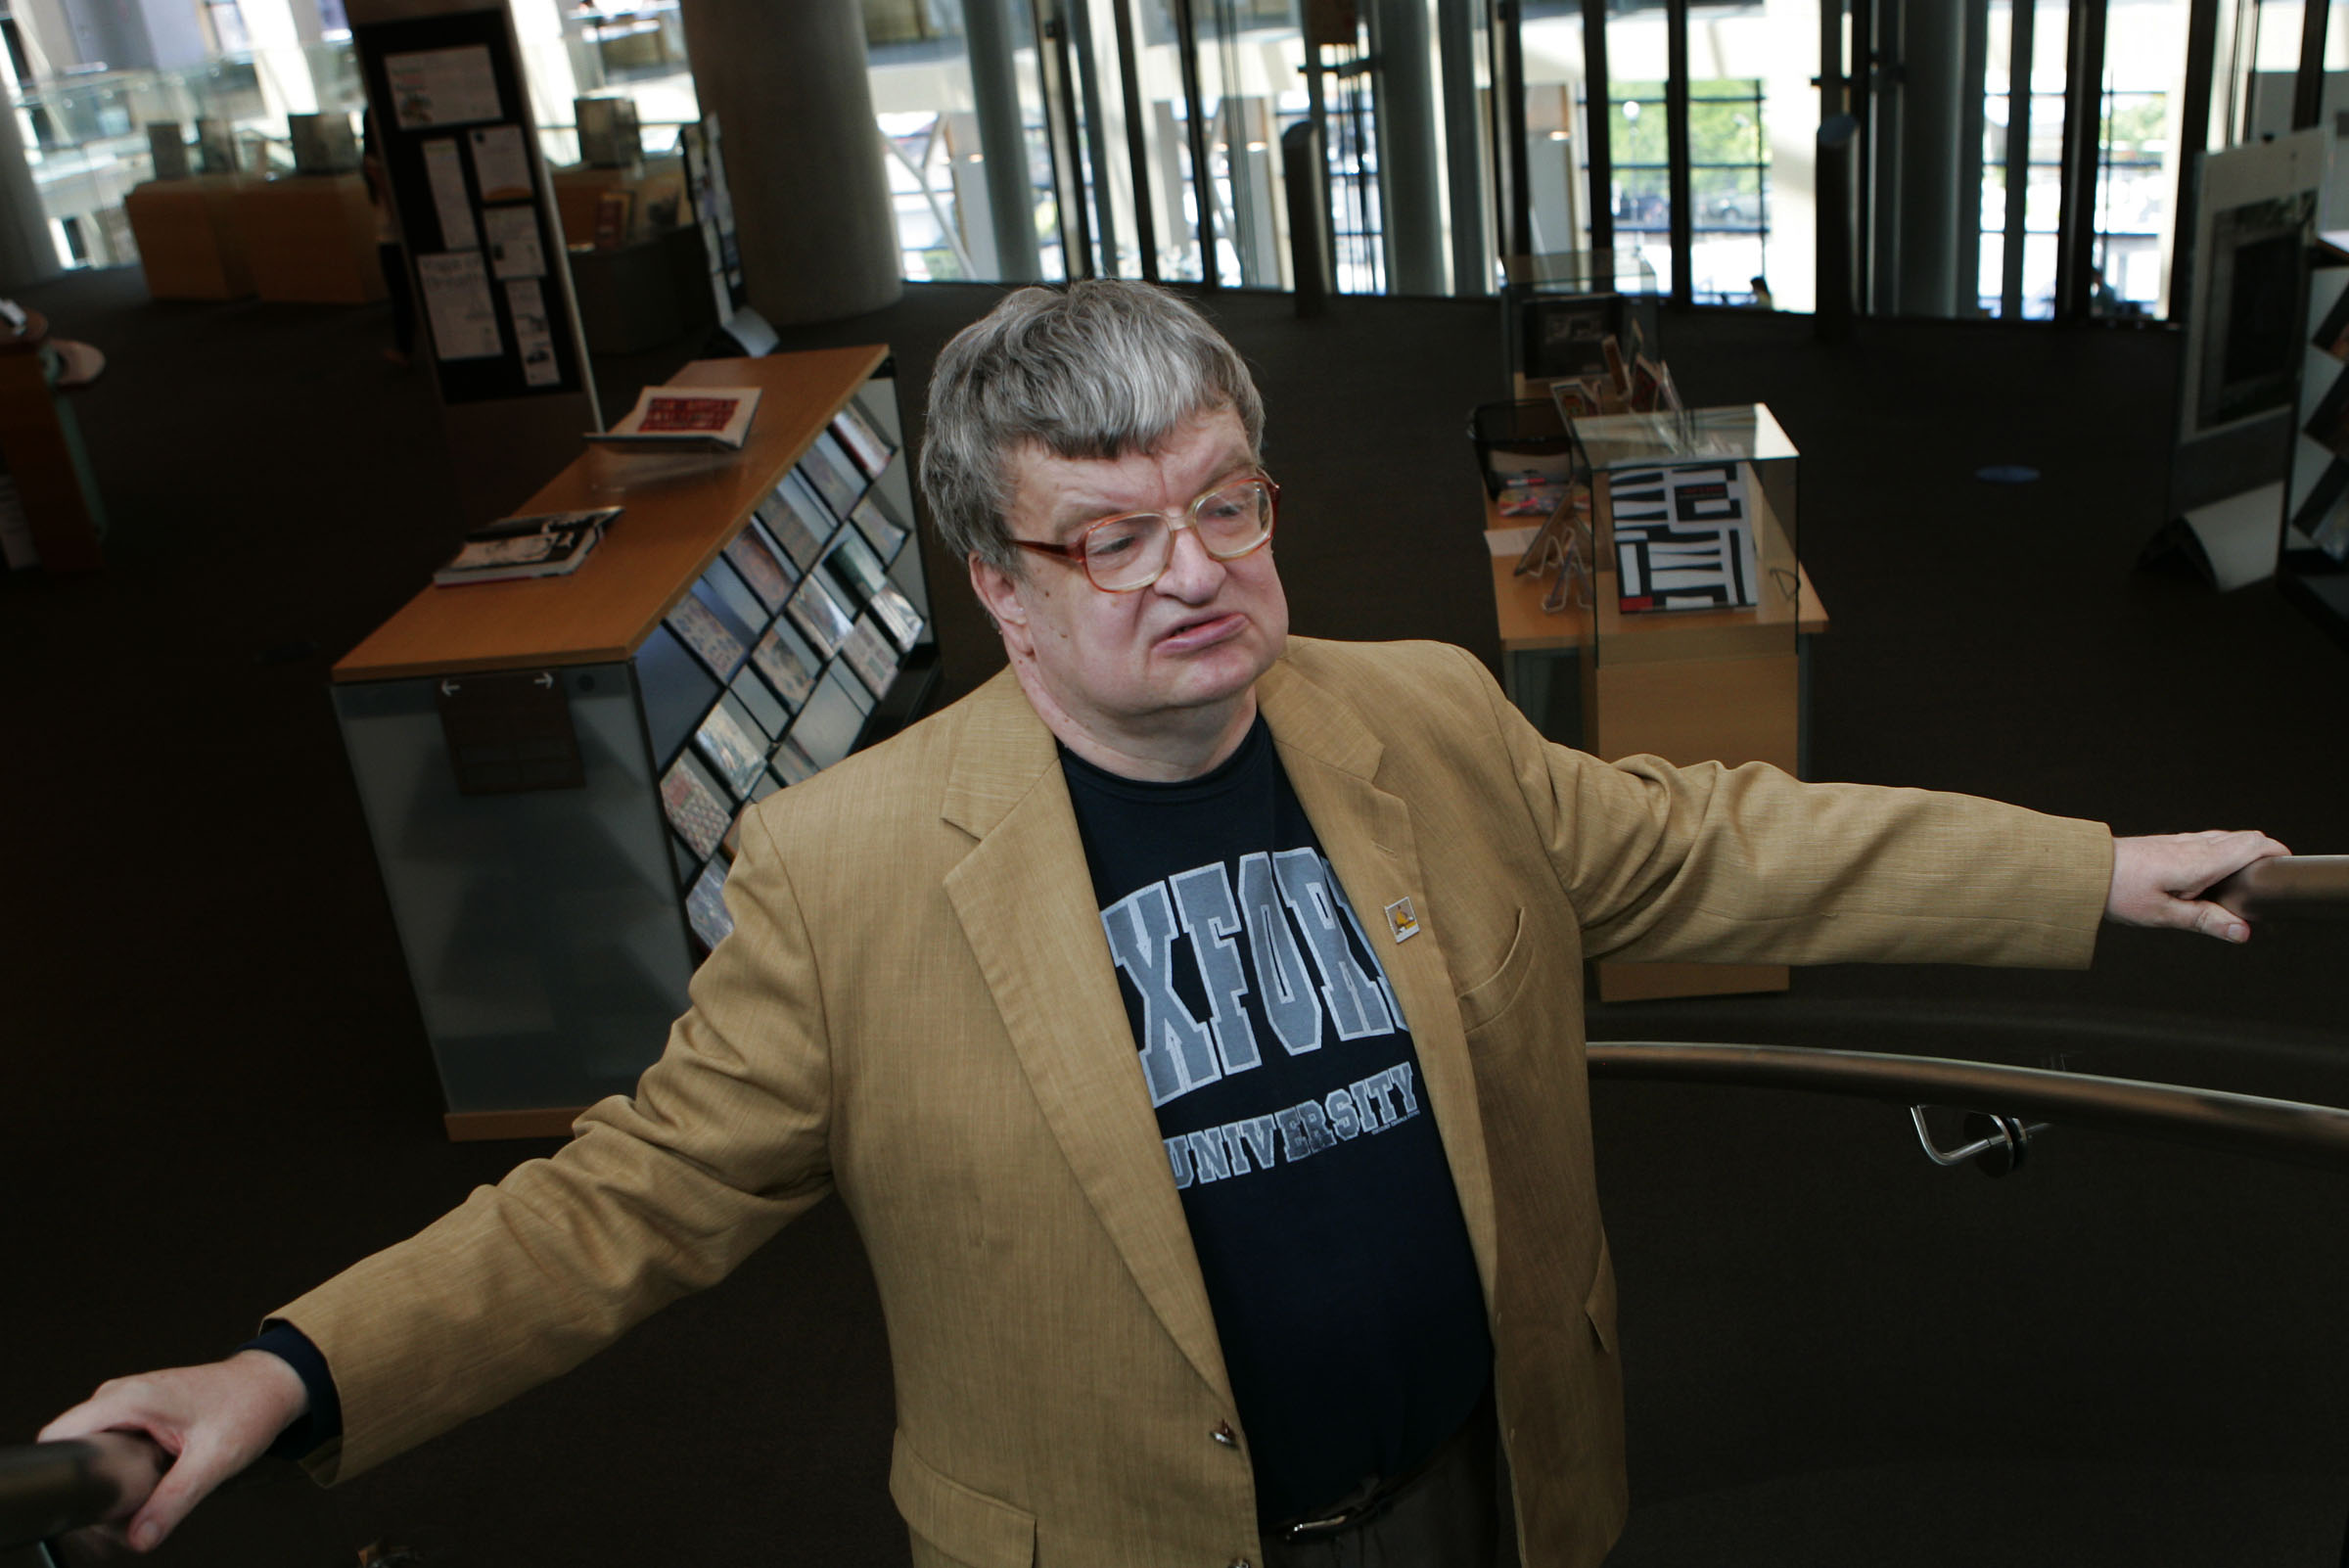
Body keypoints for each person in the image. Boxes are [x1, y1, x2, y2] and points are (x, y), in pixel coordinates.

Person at [43, 281, 2284, 1568]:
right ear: (998, 592)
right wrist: (292, 1366)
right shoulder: (841, 870)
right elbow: (621, 1207)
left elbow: (1711, 848)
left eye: (1227, 501)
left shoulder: (1414, 713)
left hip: (1493, 1494)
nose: (1198, 566)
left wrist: (2083, 871)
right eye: (1112, 539)